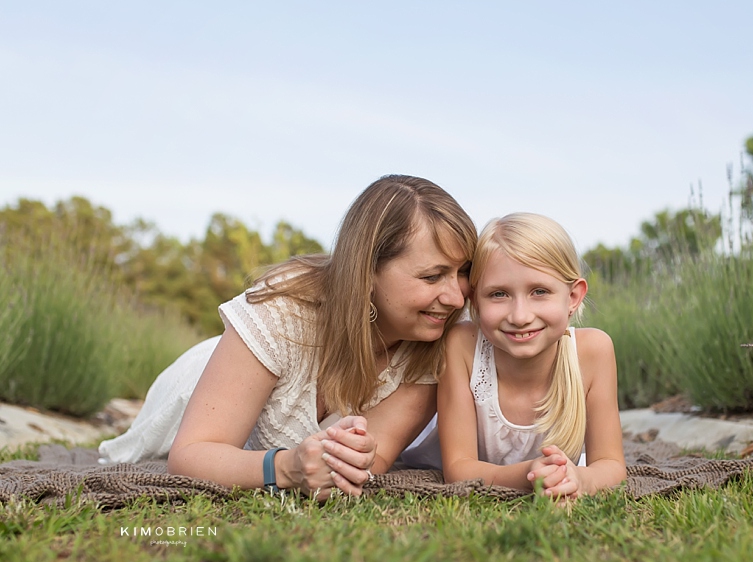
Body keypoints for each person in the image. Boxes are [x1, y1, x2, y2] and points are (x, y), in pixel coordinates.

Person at [98, 175, 476, 499]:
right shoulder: (281, 308)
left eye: (462, 272)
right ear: (367, 272)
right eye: (432, 276)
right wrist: (288, 467)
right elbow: (191, 455)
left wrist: (344, 461)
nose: (456, 297)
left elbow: (367, 462)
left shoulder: (436, 346)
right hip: (206, 379)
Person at [436, 213, 626, 498]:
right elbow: (458, 468)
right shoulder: (462, 346)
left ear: (573, 297)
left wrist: (578, 478)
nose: (520, 316)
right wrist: (532, 475)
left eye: (539, 291)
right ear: (475, 301)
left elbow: (611, 464)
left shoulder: (592, 351)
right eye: (499, 294)